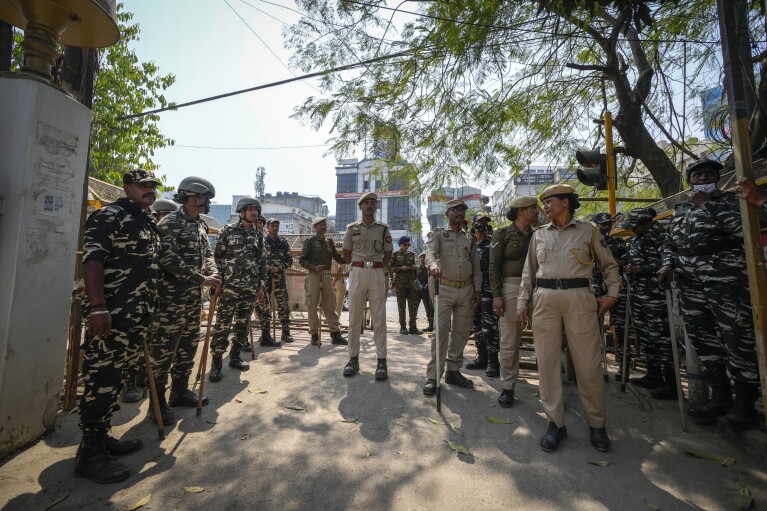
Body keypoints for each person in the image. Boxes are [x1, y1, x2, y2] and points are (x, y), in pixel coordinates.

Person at [659, 160, 763, 431]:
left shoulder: (730, 201)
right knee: (703, 338)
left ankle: (745, 407)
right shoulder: (681, 208)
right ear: (689, 180)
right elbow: (670, 240)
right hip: (689, 281)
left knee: (737, 337)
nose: (702, 177)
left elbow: (743, 229)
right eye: (697, 174)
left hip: (725, 278)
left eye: (708, 173)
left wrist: (709, 204)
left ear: (717, 177)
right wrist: (667, 262)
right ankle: (720, 399)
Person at [517, 184, 619, 453]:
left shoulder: (589, 231)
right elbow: (529, 273)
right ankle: (555, 424)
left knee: (588, 365)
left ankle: (597, 425)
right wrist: (521, 303)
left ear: (565, 203)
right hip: (545, 300)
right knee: (547, 366)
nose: (544, 207)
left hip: (579, 299)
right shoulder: (538, 236)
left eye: (548, 202)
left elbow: (609, 265)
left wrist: (612, 295)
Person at [76, 168, 161, 483]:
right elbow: (93, 261)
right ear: (127, 188)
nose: (149, 190)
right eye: (143, 186)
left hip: (137, 314)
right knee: (101, 378)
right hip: (111, 314)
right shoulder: (108, 217)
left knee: (119, 376)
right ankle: (89, 455)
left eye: (153, 186)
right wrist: (97, 307)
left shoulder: (148, 222)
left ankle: (102, 439)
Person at [149, 176, 222, 426]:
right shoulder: (170, 222)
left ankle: (179, 392)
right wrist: (200, 278)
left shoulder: (200, 225)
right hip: (171, 301)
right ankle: (156, 404)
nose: (207, 203)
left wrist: (212, 273)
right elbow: (166, 258)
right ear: (193, 197)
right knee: (164, 351)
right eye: (205, 198)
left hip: (192, 300)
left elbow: (208, 254)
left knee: (188, 347)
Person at [121, 197, 180, 404]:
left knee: (152, 340)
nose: (167, 221)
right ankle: (128, 382)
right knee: (133, 341)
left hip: (161, 297)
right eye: (164, 216)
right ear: (156, 215)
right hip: (136, 297)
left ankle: (145, 375)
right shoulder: (142, 231)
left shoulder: (168, 235)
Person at [422, 199, 481, 396]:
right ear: (447, 213)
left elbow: (476, 265)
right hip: (444, 288)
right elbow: (430, 252)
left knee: (462, 332)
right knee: (440, 332)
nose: (459, 213)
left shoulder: (470, 238)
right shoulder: (439, 234)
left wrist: (477, 289)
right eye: (455, 210)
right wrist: (432, 266)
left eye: (462, 210)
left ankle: (453, 371)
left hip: (466, 290)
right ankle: (433, 376)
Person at [617, 208, 674, 399]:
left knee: (661, 337)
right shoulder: (635, 239)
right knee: (645, 335)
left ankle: (671, 383)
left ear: (646, 223)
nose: (633, 230)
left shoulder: (660, 236)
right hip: (637, 294)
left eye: (635, 226)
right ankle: (654, 374)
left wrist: (639, 269)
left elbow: (667, 263)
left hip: (655, 295)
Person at [208, 197, 266, 382]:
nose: (254, 212)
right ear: (241, 212)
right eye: (250, 209)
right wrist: (217, 282)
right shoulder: (227, 231)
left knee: (242, 323)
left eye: (256, 209)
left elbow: (261, 263)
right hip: (229, 288)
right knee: (223, 324)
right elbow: (217, 257)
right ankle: (216, 361)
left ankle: (235, 356)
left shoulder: (258, 236)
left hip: (249, 289)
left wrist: (260, 286)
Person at [489, 195, 538, 408]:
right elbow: (493, 266)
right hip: (510, 288)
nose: (537, 211)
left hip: (538, 288)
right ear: (521, 211)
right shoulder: (502, 234)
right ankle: (508, 387)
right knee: (510, 342)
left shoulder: (538, 235)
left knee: (545, 338)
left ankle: (549, 388)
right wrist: (497, 296)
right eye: (533, 208)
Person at [342, 193, 393, 379]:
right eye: (366, 203)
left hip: (377, 273)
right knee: (355, 317)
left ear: (376, 207)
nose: (370, 206)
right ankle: (353, 359)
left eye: (373, 203)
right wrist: (359, 264)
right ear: (360, 207)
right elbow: (346, 253)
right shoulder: (352, 229)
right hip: (357, 273)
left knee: (379, 318)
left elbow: (388, 254)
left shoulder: (383, 230)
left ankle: (381, 361)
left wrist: (375, 264)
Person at [591, 212, 629, 382]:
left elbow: (625, 261)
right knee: (593, 328)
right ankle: (595, 365)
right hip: (594, 288)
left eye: (608, 224)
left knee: (621, 327)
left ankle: (624, 364)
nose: (606, 228)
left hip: (615, 287)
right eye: (603, 225)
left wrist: (608, 263)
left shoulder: (618, 242)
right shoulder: (588, 242)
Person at [299, 217, 348, 346]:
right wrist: (314, 267)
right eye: (320, 224)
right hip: (313, 275)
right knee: (312, 306)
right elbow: (302, 260)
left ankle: (335, 334)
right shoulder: (309, 242)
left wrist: (349, 258)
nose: (323, 226)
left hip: (326, 275)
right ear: (315, 227)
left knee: (330, 305)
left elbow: (337, 257)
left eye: (325, 224)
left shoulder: (329, 242)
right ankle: (314, 335)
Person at [466, 219, 499, 377]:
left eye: (482, 227)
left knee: (489, 328)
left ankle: (493, 361)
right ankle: (482, 358)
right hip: (473, 292)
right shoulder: (471, 246)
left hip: (488, 293)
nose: (479, 230)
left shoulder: (491, 246)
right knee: (477, 327)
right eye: (478, 227)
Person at [255, 218, 294, 343]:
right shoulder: (261, 241)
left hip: (279, 278)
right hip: (264, 279)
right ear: (267, 227)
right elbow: (256, 260)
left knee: (283, 304)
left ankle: (286, 332)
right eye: (273, 225)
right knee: (264, 305)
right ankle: (265, 332)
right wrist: (265, 268)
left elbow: (289, 261)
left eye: (277, 225)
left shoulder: (283, 242)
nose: (275, 228)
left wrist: (279, 268)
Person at [389, 235, 422, 335]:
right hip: (400, 284)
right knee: (401, 306)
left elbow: (415, 266)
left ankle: (413, 327)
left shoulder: (411, 254)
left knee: (413, 306)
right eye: (405, 244)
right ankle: (403, 327)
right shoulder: (395, 255)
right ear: (400, 245)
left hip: (411, 283)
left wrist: (413, 268)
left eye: (408, 244)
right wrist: (400, 268)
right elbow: (390, 268)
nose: (407, 246)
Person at [416, 252, 434, 333]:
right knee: (414, 307)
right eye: (421, 257)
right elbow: (415, 279)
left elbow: (431, 278)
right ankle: (413, 325)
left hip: (426, 291)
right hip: (418, 291)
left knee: (429, 308)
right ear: (419, 259)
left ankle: (431, 326)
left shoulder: (429, 269)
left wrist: (426, 285)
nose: (422, 258)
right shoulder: (417, 269)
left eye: (424, 257)